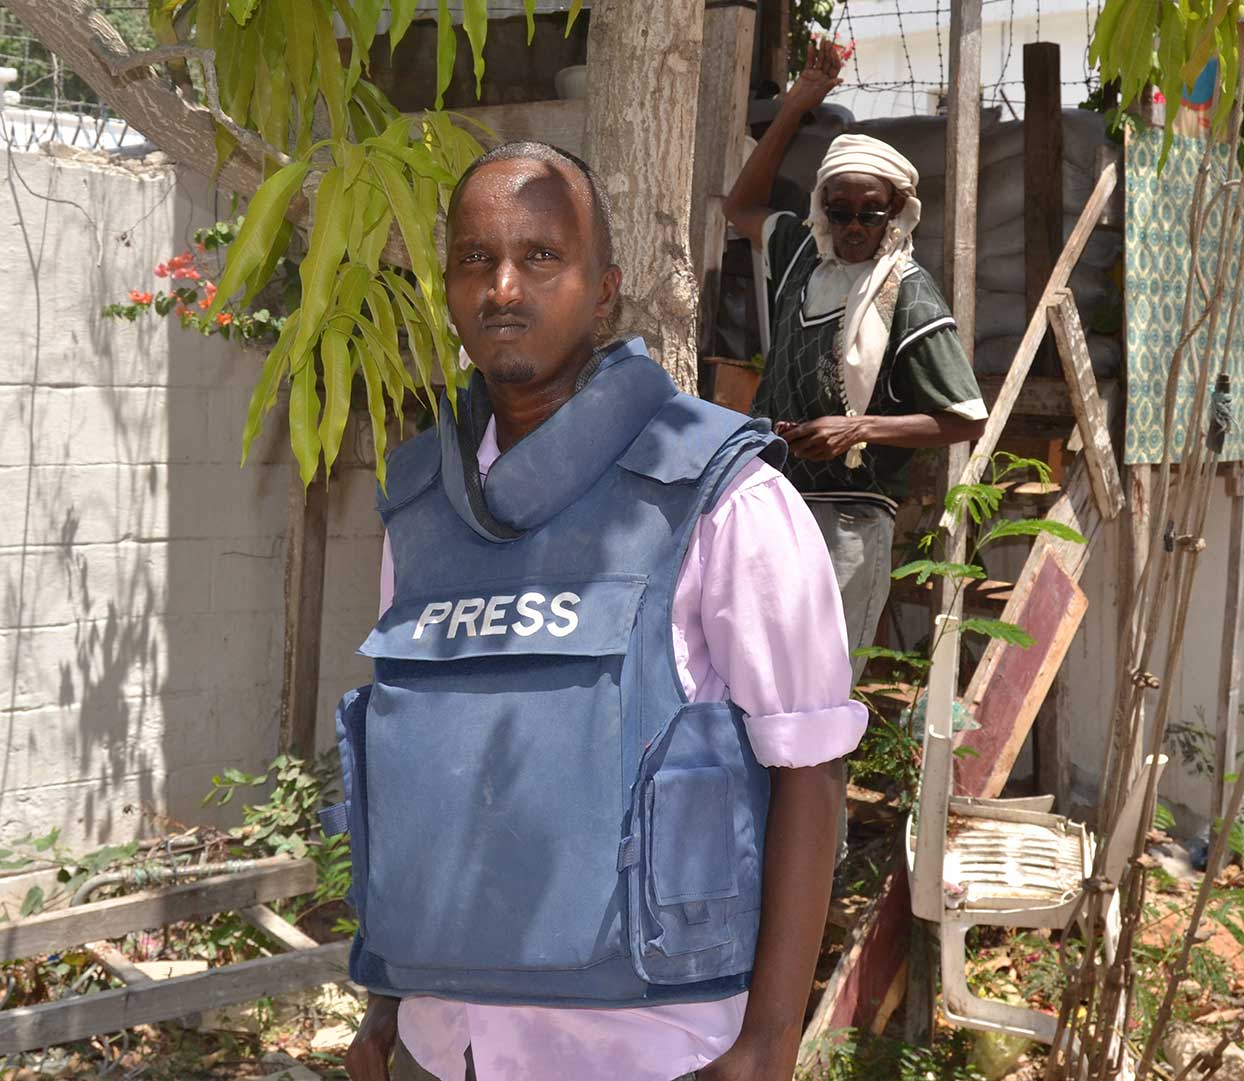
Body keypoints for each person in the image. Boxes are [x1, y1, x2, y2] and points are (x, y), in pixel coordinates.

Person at [332, 141, 866, 1081]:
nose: (502, 287)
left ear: (606, 286)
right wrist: (386, 1005)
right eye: (474, 259)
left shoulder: (723, 497)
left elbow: (811, 766)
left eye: (541, 256)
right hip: (439, 1042)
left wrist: (769, 1044)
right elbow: (419, 772)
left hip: (647, 1046)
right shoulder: (419, 509)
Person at [724, 40, 988, 681]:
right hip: (770, 500)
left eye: (868, 215)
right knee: (757, 683)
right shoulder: (799, 255)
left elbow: (964, 419)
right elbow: (739, 207)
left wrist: (857, 428)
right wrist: (795, 108)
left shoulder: (909, 292)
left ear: (896, 212)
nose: (852, 228)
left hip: (849, 517)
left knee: (821, 693)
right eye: (838, 212)